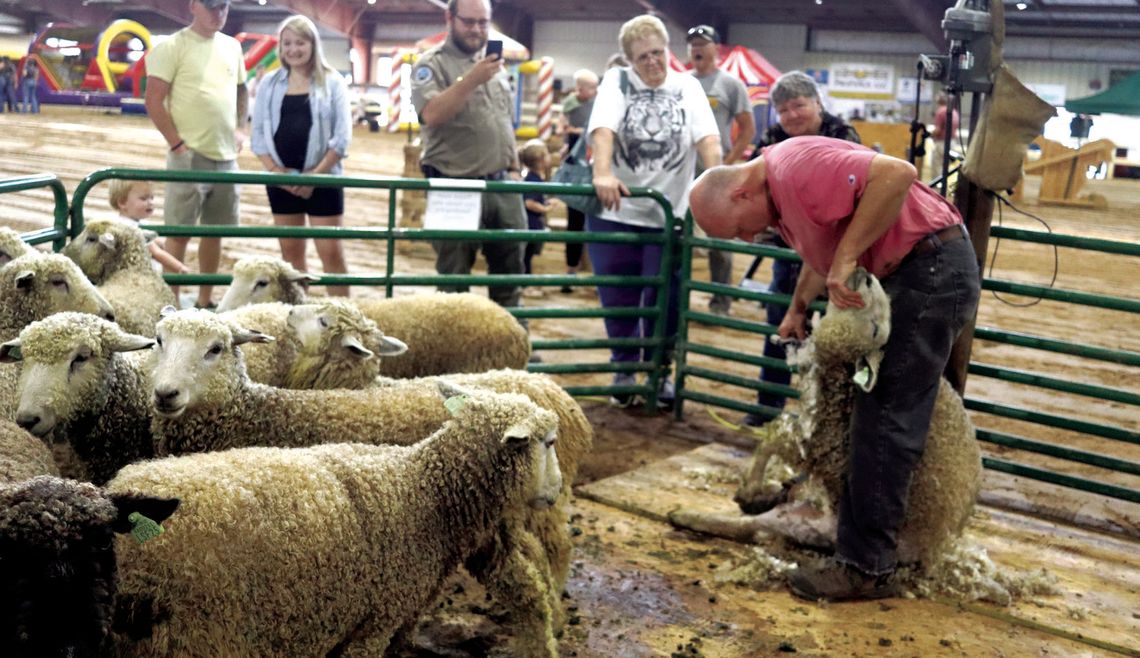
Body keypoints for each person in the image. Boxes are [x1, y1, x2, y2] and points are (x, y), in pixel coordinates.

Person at [690, 136, 980, 601]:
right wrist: (799, 305)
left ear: (741, 193)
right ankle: (869, 539)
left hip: (928, 269)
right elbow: (821, 244)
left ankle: (868, 567)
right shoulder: (782, 198)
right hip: (913, 270)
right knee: (868, 409)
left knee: (884, 414)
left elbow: (896, 173)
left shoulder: (794, 169)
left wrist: (846, 259)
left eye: (739, 230)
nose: (748, 239)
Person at [587, 14, 721, 409]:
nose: (652, 62)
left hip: (669, 215)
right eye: (642, 56)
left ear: (669, 51)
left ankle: (659, 372)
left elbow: (708, 141)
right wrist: (603, 172)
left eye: (658, 53)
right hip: (617, 210)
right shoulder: (617, 82)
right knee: (619, 296)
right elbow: (604, 130)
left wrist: (716, 183)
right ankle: (625, 370)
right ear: (629, 59)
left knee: (668, 299)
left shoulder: (688, 87)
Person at [741, 70, 861, 427]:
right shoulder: (773, 138)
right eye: (784, 109)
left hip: (838, 252)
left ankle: (828, 416)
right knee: (782, 322)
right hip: (790, 249)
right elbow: (754, 181)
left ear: (817, 103)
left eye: (799, 105)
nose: (792, 115)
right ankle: (769, 408)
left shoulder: (843, 135)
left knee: (837, 333)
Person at [411, 0, 527, 316]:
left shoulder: (495, 66)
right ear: (450, 18)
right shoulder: (430, 64)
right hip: (453, 184)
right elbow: (431, 113)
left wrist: (515, 169)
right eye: (469, 21)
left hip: (502, 183)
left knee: (511, 277)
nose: (476, 29)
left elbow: (503, 120)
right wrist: (472, 80)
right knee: (454, 284)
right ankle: (453, 359)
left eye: (483, 22)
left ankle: (513, 350)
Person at [144, 0, 247, 309]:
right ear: (194, 6)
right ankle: (171, 300)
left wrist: (241, 128)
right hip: (188, 155)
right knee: (179, 232)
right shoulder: (171, 47)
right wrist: (176, 143)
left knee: (214, 233)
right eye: (213, 7)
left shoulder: (232, 47)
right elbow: (153, 100)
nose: (219, 14)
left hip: (226, 156)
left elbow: (242, 90)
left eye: (224, 7)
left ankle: (205, 298)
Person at [251, 14, 352, 297]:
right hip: (280, 180)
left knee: (331, 253)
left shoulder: (333, 83)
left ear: (313, 45)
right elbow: (257, 134)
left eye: (300, 42)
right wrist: (276, 172)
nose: (294, 49)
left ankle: (344, 318)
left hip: (324, 180)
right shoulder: (269, 84)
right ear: (280, 48)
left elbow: (342, 139)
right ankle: (299, 317)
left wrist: (314, 177)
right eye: (287, 43)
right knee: (291, 256)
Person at [687, 24, 755, 316]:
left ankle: (720, 303)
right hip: (683, 168)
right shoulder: (681, 82)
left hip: (715, 170)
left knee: (719, 237)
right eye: (693, 44)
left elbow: (748, 128)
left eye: (703, 43)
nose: (698, 48)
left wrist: (728, 164)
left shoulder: (730, 84)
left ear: (716, 48)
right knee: (677, 234)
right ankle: (674, 298)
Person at [557, 68, 599, 292]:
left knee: (596, 224)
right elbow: (563, 127)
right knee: (576, 222)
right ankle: (571, 271)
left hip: (596, 171)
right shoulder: (572, 105)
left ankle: (595, 273)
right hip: (580, 171)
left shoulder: (600, 106)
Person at [108, 179, 190, 274]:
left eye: (152, 198)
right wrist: (180, 268)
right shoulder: (130, 228)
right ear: (122, 202)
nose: (150, 202)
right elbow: (155, 252)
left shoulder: (137, 223)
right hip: (139, 275)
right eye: (143, 198)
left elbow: (156, 243)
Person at [520, 139, 556, 277]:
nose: (550, 157)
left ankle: (526, 281)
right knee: (526, 255)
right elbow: (529, 203)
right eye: (547, 154)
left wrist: (546, 203)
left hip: (532, 222)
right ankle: (525, 283)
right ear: (540, 159)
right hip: (531, 223)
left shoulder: (534, 178)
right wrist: (545, 209)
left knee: (527, 255)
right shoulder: (533, 180)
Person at [930, 92, 960, 178]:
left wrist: (930, 135)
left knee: (937, 167)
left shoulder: (940, 112)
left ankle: (937, 189)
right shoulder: (954, 112)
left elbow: (938, 130)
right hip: (952, 143)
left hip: (941, 143)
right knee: (947, 167)